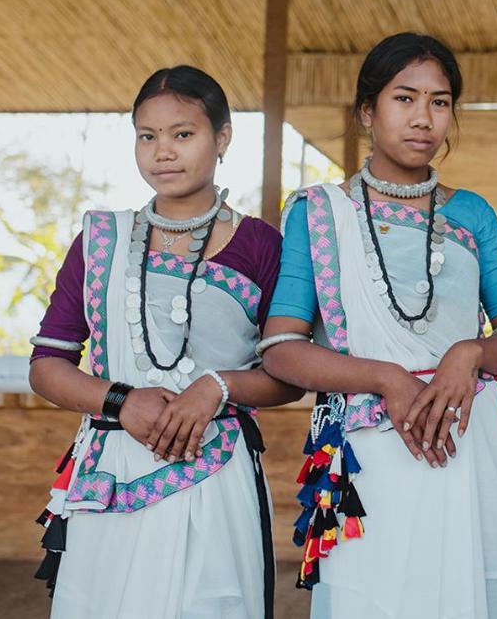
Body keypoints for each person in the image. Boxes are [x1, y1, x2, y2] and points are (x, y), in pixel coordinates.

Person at [259, 32, 497, 619]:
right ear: (368, 110)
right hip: (367, 449)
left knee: (471, 593)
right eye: (404, 98)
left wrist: (469, 353)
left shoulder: (471, 212)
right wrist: (386, 377)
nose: (424, 118)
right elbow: (282, 348)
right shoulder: (320, 213)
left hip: (465, 436)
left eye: (439, 102)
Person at [29, 65, 300, 618]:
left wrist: (217, 387)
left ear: (222, 138)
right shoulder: (100, 242)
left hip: (215, 471)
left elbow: (290, 376)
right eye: (147, 136)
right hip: (111, 473)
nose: (163, 152)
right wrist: (121, 401)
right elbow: (47, 365)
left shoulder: (261, 246)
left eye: (183, 134)